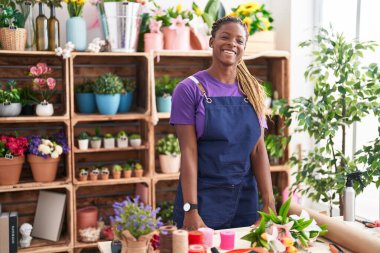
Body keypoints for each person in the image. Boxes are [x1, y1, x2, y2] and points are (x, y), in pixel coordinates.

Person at [170, 16, 276, 230]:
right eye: (225, 37)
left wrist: (270, 203)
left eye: (239, 41)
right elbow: (188, 152)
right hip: (203, 198)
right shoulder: (189, 89)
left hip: (246, 200)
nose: (232, 44)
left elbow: (258, 150)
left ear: (244, 47)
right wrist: (190, 209)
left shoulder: (253, 91)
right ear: (211, 41)